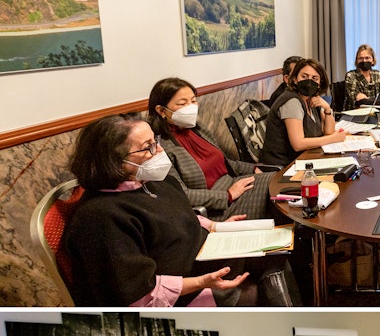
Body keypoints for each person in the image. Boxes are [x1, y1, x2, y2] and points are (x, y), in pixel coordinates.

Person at [63, 115, 296, 307]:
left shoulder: (153, 182)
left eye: (156, 142)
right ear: (113, 161)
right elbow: (137, 296)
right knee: (272, 268)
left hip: (205, 255)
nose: (159, 151)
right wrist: (200, 282)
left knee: (280, 251)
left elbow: (178, 214)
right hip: (182, 292)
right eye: (148, 148)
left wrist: (218, 227)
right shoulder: (101, 219)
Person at [147, 77, 271, 220]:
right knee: (274, 197)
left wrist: (252, 168)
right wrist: (228, 195)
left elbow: (225, 162)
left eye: (193, 101)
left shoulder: (198, 130)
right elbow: (181, 194)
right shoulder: (160, 147)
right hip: (214, 206)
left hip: (232, 183)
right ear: (161, 110)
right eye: (182, 103)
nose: (191, 107)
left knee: (280, 183)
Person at [261, 58, 347, 166]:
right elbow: (298, 144)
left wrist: (327, 108)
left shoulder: (311, 98)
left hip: (304, 159)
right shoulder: (292, 101)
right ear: (295, 79)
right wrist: (332, 139)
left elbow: (329, 131)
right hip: (283, 166)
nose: (309, 81)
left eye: (314, 78)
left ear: (320, 83)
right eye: (304, 76)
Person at [344, 44, 380, 110]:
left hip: (375, 111)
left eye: (367, 58)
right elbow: (358, 102)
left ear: (372, 60)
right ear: (357, 61)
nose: (364, 61)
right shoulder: (351, 76)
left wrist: (367, 100)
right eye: (361, 58)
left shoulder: (377, 74)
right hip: (355, 113)